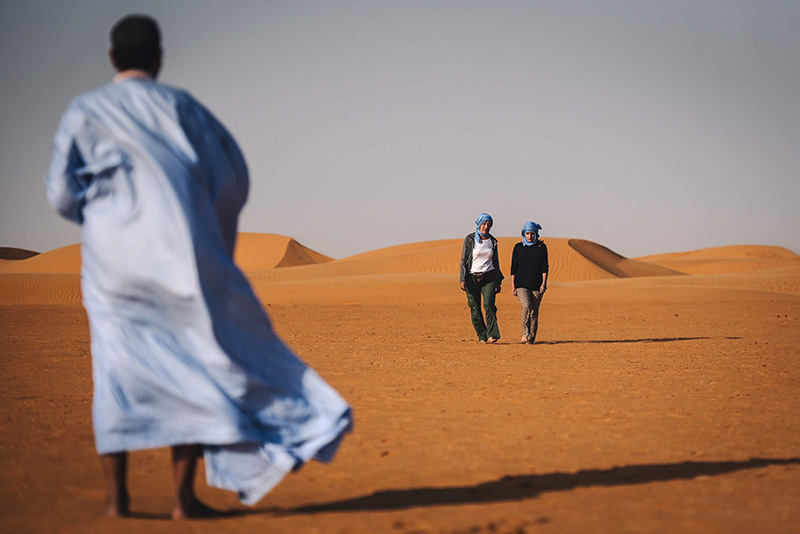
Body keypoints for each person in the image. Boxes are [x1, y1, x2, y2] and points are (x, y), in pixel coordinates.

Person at [45, 15, 352, 519]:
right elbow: (231, 179)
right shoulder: (183, 108)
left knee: (115, 366)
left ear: (112, 57)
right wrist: (207, 226)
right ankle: (183, 500)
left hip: (111, 265)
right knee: (189, 367)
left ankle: (117, 501)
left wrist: (105, 215)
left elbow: (61, 194)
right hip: (178, 259)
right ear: (159, 58)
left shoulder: (85, 110)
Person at [459, 213, 503, 343]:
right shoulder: (470, 239)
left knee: (489, 304)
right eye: (484, 224)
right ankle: (482, 335)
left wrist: (498, 280)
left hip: (489, 276)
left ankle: (492, 334)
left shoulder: (493, 241)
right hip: (472, 277)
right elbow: (463, 260)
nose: (486, 226)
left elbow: (496, 262)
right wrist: (462, 279)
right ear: (479, 224)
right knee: (474, 307)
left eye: (488, 224)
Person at [510, 221, 549, 344]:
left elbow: (544, 267)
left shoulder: (541, 247)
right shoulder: (518, 247)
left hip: (537, 284)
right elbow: (513, 268)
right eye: (527, 233)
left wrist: (544, 283)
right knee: (526, 306)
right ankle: (525, 334)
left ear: (536, 234)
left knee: (534, 311)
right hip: (521, 283)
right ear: (523, 234)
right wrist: (513, 285)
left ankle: (531, 337)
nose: (530, 236)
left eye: (532, 233)